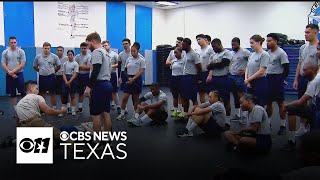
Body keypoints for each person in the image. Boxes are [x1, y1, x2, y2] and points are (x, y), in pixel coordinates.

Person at [16, 80, 68, 146]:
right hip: (35, 121)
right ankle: (79, 149)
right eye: (36, 89)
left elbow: (17, 121)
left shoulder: (19, 102)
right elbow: (48, 111)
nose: (38, 91)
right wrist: (61, 111)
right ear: (31, 89)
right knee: (59, 134)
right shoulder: (37, 97)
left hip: (22, 126)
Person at [281, 63, 319, 152]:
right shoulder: (315, 78)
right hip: (315, 107)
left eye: (305, 70)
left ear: (313, 70)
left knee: (290, 108)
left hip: (317, 110)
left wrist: (286, 106)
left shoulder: (314, 82)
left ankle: (292, 142)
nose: (302, 72)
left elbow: (301, 102)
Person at [84, 32, 113, 136]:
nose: (87, 47)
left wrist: (88, 87)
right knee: (105, 112)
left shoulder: (97, 51)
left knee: (95, 115)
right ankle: (107, 138)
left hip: (99, 86)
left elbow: (96, 70)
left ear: (93, 41)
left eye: (88, 44)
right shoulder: (106, 52)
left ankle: (97, 141)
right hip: (107, 85)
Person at [265, 33, 290, 135]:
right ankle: (268, 123)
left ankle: (283, 126)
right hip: (268, 79)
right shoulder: (267, 52)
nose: (267, 42)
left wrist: (282, 79)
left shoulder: (281, 53)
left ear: (276, 41)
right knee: (268, 103)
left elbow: (287, 69)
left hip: (277, 79)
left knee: (280, 103)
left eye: (270, 41)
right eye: (267, 41)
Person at [206, 38, 233, 130]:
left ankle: (227, 122)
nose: (213, 49)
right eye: (212, 47)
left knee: (225, 100)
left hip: (224, 78)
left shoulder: (227, 53)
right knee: (214, 100)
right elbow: (208, 66)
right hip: (214, 79)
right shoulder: (213, 54)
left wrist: (213, 65)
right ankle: (216, 120)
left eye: (214, 46)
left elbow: (224, 64)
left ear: (219, 44)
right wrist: (215, 65)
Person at [117, 42, 146, 121]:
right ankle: (122, 113)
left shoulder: (141, 60)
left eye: (134, 51)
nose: (132, 53)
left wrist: (133, 79)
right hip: (128, 79)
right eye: (131, 51)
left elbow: (141, 71)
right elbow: (124, 70)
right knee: (124, 98)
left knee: (135, 99)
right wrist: (128, 78)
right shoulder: (128, 59)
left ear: (137, 51)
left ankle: (135, 115)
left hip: (136, 80)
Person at [1, 36, 26, 117]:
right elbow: (3, 64)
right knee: (12, 93)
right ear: (9, 43)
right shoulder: (5, 52)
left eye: (15, 42)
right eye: (11, 42)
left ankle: (25, 109)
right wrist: (10, 73)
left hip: (19, 74)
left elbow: (22, 64)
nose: (13, 44)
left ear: (17, 42)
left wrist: (13, 72)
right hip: (9, 75)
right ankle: (16, 111)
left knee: (23, 92)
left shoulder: (21, 51)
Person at [229, 37, 251, 124]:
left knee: (242, 96)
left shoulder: (245, 52)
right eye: (232, 45)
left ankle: (245, 117)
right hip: (232, 76)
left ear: (239, 44)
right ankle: (237, 115)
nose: (233, 46)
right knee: (235, 96)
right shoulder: (231, 53)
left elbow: (251, 62)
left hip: (240, 77)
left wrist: (246, 70)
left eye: (234, 44)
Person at [293, 24, 319, 99]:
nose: (305, 34)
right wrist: (296, 80)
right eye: (305, 32)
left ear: (315, 33)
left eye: (308, 32)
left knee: (312, 103)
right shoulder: (303, 47)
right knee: (301, 102)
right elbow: (300, 64)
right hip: (302, 78)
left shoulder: (318, 48)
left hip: (313, 79)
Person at [33, 42, 61, 109]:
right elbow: (35, 66)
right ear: (43, 48)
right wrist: (40, 71)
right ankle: (43, 108)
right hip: (42, 77)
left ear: (50, 49)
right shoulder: (38, 57)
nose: (46, 50)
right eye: (45, 48)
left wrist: (53, 71)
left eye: (48, 48)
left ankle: (53, 108)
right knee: (42, 94)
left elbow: (59, 66)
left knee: (52, 93)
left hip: (51, 77)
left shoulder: (54, 56)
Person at [245, 35, 270, 107]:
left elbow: (261, 71)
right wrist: (247, 79)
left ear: (259, 42)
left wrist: (249, 79)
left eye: (252, 43)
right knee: (249, 104)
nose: (251, 45)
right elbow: (247, 67)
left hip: (259, 82)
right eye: (250, 43)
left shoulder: (264, 54)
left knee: (259, 105)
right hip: (250, 82)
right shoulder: (252, 54)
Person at [180, 38, 202, 119]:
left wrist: (198, 79)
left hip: (192, 77)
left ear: (188, 45)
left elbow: (199, 67)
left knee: (193, 98)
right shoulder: (185, 53)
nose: (181, 46)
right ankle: (186, 115)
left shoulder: (194, 54)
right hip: (185, 77)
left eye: (183, 45)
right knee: (184, 97)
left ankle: (195, 115)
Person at [166, 37, 185, 112]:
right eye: (176, 42)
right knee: (174, 94)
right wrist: (175, 62)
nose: (177, 43)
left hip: (181, 76)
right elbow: (167, 62)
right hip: (174, 75)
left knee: (181, 94)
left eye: (179, 42)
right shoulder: (172, 52)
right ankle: (176, 108)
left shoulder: (185, 53)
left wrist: (178, 61)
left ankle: (181, 110)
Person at [102, 40, 121, 114]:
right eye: (103, 46)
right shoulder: (101, 54)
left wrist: (110, 66)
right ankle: (106, 107)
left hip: (112, 75)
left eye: (106, 45)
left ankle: (118, 106)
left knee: (114, 92)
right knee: (105, 92)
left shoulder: (114, 54)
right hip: (104, 76)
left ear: (109, 45)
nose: (104, 47)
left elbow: (118, 64)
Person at [195, 34, 215, 103]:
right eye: (197, 40)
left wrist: (210, 75)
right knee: (201, 92)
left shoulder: (210, 49)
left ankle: (211, 110)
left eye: (199, 39)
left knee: (210, 93)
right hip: (200, 74)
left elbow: (212, 62)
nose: (198, 41)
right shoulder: (197, 51)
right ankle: (203, 111)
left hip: (208, 73)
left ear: (204, 39)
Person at [61, 50, 79, 116]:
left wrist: (70, 81)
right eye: (69, 54)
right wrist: (66, 81)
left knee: (72, 95)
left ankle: (73, 110)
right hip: (65, 80)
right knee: (65, 95)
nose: (70, 56)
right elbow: (63, 73)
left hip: (73, 80)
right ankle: (67, 108)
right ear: (67, 55)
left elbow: (75, 73)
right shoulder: (65, 63)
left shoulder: (75, 64)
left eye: (71, 54)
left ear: (73, 55)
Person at [75, 42, 91, 113]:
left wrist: (79, 66)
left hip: (87, 76)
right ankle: (80, 108)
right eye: (82, 48)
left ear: (87, 48)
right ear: (80, 48)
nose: (83, 49)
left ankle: (92, 108)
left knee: (89, 93)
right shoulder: (77, 56)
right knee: (80, 93)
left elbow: (88, 67)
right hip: (79, 76)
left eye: (85, 48)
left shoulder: (89, 56)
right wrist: (82, 66)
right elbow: (74, 67)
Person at [55, 46, 70, 114]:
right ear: (56, 51)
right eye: (58, 50)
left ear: (63, 51)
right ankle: (60, 109)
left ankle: (68, 108)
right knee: (59, 93)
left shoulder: (66, 58)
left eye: (61, 50)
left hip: (65, 77)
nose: (59, 51)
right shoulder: (54, 58)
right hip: (57, 77)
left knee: (66, 93)